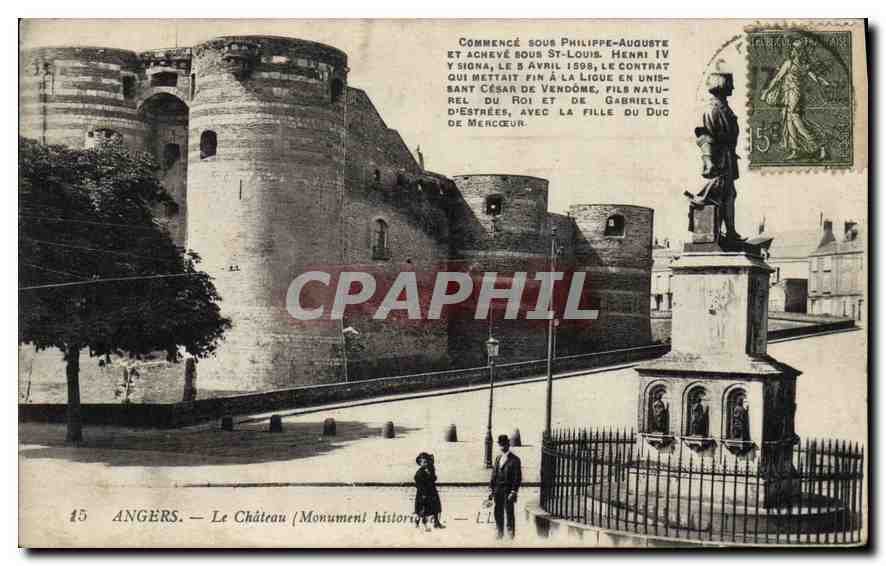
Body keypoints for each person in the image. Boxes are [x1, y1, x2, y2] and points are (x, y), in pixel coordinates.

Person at [691, 72, 742, 242]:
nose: (732, 87)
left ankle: (730, 231)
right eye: (729, 84)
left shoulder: (725, 109)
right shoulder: (711, 109)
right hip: (718, 158)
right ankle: (712, 233)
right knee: (716, 193)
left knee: (730, 194)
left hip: (728, 158)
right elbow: (703, 136)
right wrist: (708, 159)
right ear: (721, 85)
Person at [761, 38, 830, 161]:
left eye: (795, 49)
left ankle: (818, 145)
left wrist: (766, 91)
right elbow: (778, 78)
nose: (792, 50)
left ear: (799, 51)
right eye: (793, 48)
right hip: (788, 95)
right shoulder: (798, 64)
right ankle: (795, 150)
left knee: (795, 119)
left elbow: (777, 78)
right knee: (789, 121)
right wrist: (822, 81)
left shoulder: (792, 64)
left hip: (794, 95)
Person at [488, 434, 522, 539]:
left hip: (508, 490)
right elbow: (494, 474)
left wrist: (514, 492)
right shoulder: (498, 458)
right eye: (500, 445)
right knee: (498, 511)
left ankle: (511, 533)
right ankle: (500, 531)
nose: (502, 447)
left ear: (508, 445)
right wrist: (491, 489)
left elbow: (517, 477)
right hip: (498, 490)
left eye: (504, 444)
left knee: (509, 512)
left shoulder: (515, 460)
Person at [414, 452, 443, 531]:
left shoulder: (430, 469)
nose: (425, 464)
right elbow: (419, 484)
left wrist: (431, 473)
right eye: (423, 462)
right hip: (423, 493)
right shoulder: (419, 473)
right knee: (422, 510)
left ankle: (436, 523)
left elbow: (434, 478)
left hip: (432, 492)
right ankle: (420, 524)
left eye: (426, 462)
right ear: (420, 463)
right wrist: (423, 494)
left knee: (436, 508)